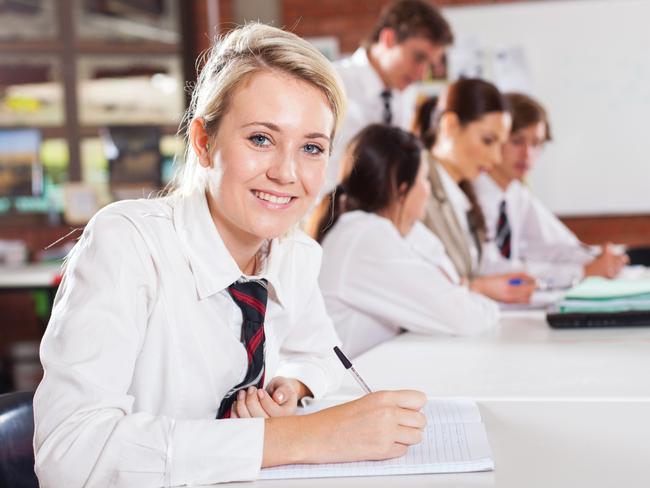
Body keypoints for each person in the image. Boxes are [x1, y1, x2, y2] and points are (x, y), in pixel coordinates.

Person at [33, 24, 427, 487]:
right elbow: (71, 454)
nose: (286, 173)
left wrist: (291, 386)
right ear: (203, 142)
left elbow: (318, 353)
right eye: (261, 139)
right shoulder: (128, 243)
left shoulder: (296, 254)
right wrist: (303, 437)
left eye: (311, 148)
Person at [315, 124, 499, 358]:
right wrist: (475, 299)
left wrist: (458, 290)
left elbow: (450, 286)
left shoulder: (366, 230)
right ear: (401, 190)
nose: (428, 190)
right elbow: (465, 317)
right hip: (343, 390)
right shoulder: (367, 236)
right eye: (424, 179)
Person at [474, 92, 628, 286]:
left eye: (536, 144)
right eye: (517, 141)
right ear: (496, 139)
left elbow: (557, 245)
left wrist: (598, 258)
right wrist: (580, 272)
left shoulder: (517, 194)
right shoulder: (471, 195)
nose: (527, 154)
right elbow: (493, 269)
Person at [413, 78, 536, 304]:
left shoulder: (463, 195)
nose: (496, 158)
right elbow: (416, 283)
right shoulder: (415, 188)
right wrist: (478, 287)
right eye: (488, 141)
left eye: (500, 144)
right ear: (450, 125)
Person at [324, 0, 454, 194]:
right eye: (418, 57)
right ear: (388, 38)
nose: (421, 73)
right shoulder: (333, 82)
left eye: (430, 65)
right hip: (329, 212)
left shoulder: (405, 93)